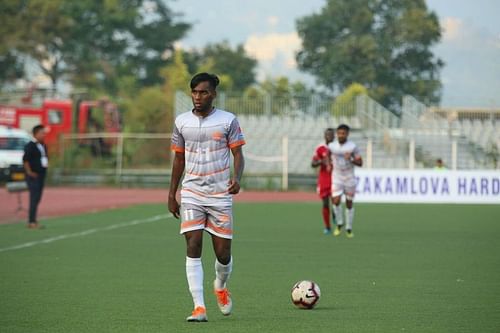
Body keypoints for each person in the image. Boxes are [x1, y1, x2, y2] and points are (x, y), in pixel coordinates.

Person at [168, 73, 245, 322]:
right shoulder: (182, 122)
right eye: (194, 92)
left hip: (220, 195)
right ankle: (199, 307)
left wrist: (237, 177)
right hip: (192, 193)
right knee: (193, 244)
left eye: (203, 92)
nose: (197, 97)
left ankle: (221, 286)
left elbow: (238, 154)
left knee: (223, 254)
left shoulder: (228, 121)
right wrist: (172, 193)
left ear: (213, 94)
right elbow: (178, 158)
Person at [328, 124, 362, 238]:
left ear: (347, 134)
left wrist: (351, 159)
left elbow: (360, 163)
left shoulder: (352, 147)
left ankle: (349, 227)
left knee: (349, 203)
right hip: (337, 177)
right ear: (337, 134)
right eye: (339, 133)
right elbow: (328, 155)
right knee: (336, 201)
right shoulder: (332, 146)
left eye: (343, 133)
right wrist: (328, 164)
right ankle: (339, 223)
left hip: (349, 178)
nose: (341, 135)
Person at [23, 125, 48, 229]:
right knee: (34, 198)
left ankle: (33, 219)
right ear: (36, 134)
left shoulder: (43, 145)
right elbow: (25, 160)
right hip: (34, 176)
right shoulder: (30, 146)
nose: (43, 135)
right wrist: (29, 172)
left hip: (41, 175)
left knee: (38, 198)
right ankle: (31, 221)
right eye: (42, 133)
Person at [311, 128, 336, 234]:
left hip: (336, 178)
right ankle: (327, 227)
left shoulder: (337, 148)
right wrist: (321, 161)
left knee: (336, 202)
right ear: (324, 136)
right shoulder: (320, 148)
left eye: (331, 135)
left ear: (334, 136)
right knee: (325, 203)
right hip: (324, 179)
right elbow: (313, 164)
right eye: (327, 135)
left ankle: (336, 214)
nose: (329, 137)